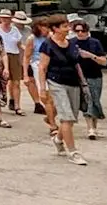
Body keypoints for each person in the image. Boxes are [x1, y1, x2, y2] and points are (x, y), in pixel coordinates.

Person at [36, 14, 88, 164]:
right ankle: (73, 152)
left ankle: (58, 139)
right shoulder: (47, 45)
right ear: (55, 29)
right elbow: (42, 67)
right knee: (66, 117)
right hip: (56, 82)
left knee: (71, 118)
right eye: (64, 26)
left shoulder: (71, 43)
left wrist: (83, 82)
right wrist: (42, 89)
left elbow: (76, 64)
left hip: (73, 82)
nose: (68, 29)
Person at [70, 21, 107, 139]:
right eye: (77, 31)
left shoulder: (94, 43)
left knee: (95, 100)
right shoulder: (72, 43)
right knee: (87, 101)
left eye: (82, 31)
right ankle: (90, 128)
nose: (80, 33)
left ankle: (94, 127)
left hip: (95, 75)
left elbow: (104, 61)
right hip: (79, 76)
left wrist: (91, 56)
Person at [0, 10, 27, 114]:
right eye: (3, 18)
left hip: (14, 55)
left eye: (7, 18)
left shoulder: (14, 30)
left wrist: (26, 49)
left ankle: (17, 106)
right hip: (1, 56)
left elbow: (19, 44)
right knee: (1, 82)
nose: (5, 20)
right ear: (0, 19)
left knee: (16, 81)